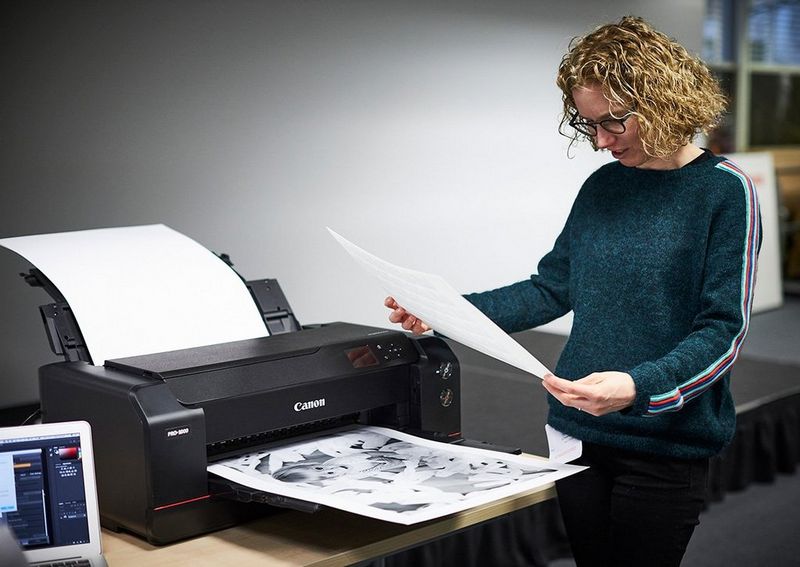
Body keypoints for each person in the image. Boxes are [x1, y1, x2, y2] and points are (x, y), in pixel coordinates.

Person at [385, 15, 761, 567]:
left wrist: (638, 387)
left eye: (613, 122)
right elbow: (551, 288)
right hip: (574, 430)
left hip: (663, 440)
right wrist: (446, 313)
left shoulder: (725, 193)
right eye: (589, 125)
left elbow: (723, 331)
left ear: (666, 103)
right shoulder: (603, 185)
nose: (600, 141)